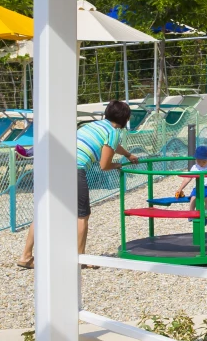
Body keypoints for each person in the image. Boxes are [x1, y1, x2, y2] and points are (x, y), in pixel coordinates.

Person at [17, 100, 137, 269]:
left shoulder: (93, 126)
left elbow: (113, 146)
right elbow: (104, 165)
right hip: (74, 168)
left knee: (44, 213)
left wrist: (128, 154)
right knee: (82, 216)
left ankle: (26, 256)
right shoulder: (114, 132)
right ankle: (80, 259)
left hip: (54, 165)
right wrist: (119, 164)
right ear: (125, 118)